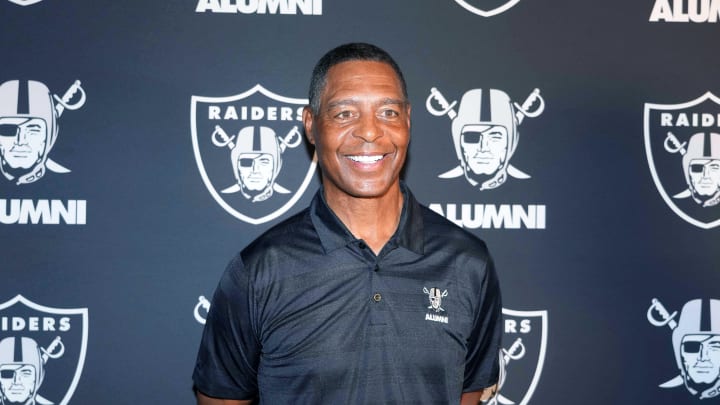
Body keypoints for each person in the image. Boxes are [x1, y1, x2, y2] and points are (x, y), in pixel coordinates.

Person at [193, 42, 503, 405]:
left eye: (388, 112)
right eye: (344, 114)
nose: (370, 132)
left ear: (408, 121)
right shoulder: (260, 270)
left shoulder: (466, 261)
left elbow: (468, 392)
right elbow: (220, 398)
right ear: (311, 125)